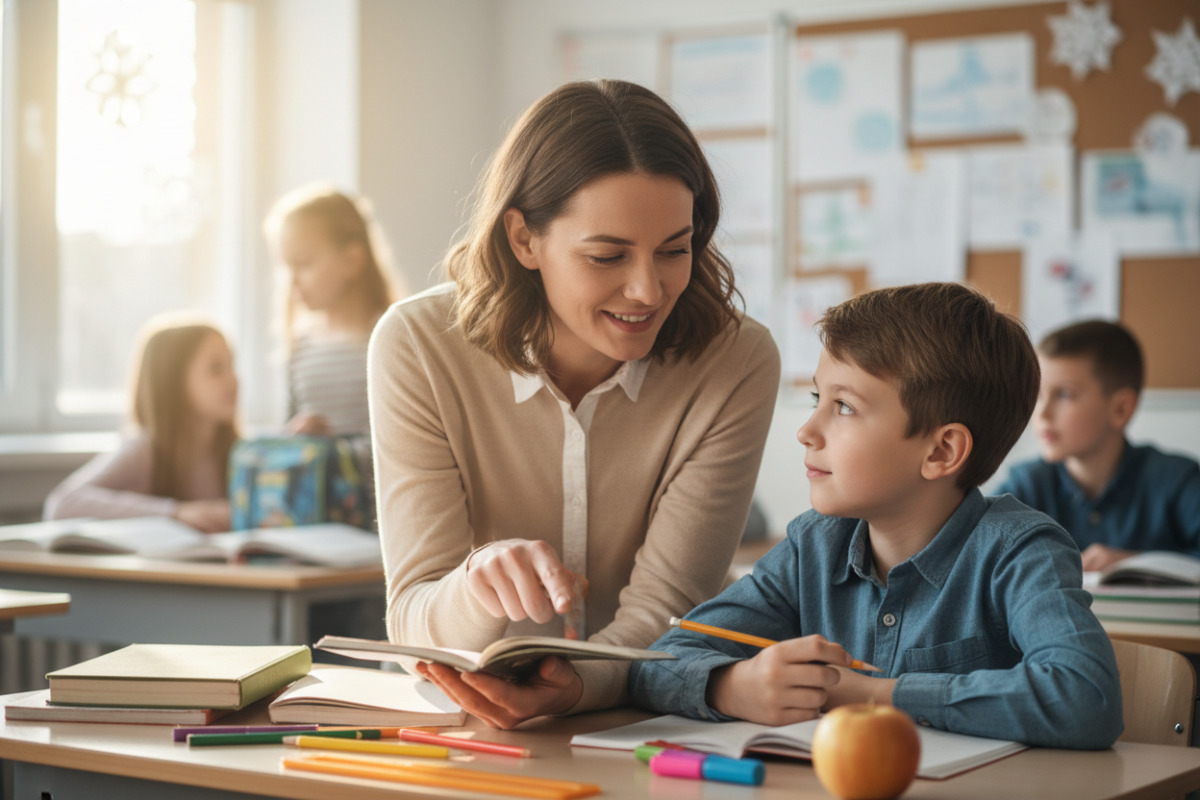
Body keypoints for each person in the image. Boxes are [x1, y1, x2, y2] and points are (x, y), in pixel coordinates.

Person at [368, 79, 781, 729]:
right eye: (607, 255)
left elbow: (670, 611)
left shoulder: (735, 361)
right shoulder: (418, 345)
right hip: (474, 734)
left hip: (654, 722)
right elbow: (412, 619)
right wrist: (477, 584)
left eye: (675, 249)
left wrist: (573, 689)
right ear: (524, 239)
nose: (648, 289)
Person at [628, 283, 1123, 750]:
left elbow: (1086, 699)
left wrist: (869, 694)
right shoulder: (813, 548)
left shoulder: (1019, 550)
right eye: (818, 399)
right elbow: (655, 664)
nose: (806, 430)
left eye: (843, 407)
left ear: (941, 450)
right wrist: (732, 686)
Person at [994, 319, 1200, 571]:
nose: (1042, 414)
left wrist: (1134, 564)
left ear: (1120, 409)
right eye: (1038, 394)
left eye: (1064, 394)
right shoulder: (1026, 484)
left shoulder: (1178, 480)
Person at [43, 316, 240, 533]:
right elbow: (62, 504)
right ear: (172, 380)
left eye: (232, 365)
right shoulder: (144, 450)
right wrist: (175, 513)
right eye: (216, 368)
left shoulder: (239, 451)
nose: (234, 379)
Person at [264, 184, 403, 439]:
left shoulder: (390, 340)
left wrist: (332, 451)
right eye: (286, 267)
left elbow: (400, 442)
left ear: (352, 260)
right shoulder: (299, 349)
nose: (291, 281)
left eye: (303, 264)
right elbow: (289, 431)